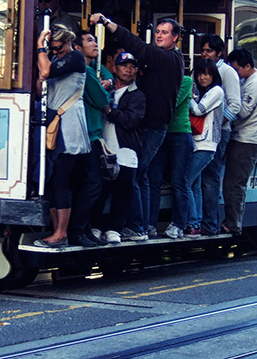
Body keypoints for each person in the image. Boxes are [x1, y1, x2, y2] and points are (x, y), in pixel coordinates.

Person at [89, 13, 184, 241]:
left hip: (153, 126)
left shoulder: (169, 58)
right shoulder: (163, 59)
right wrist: (110, 82)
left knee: (135, 175)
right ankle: (144, 225)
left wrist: (108, 23)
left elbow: (139, 47)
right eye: (157, 32)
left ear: (175, 38)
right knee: (142, 176)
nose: (159, 36)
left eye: (164, 33)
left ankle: (137, 227)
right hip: (148, 125)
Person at [34, 25, 91, 248]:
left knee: (61, 180)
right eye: (52, 48)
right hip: (53, 123)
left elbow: (47, 72)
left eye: (58, 48)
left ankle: (61, 232)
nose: (55, 52)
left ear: (68, 42)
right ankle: (58, 231)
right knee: (50, 179)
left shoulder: (75, 57)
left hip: (68, 125)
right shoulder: (55, 59)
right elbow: (41, 88)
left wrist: (40, 46)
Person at [68, 30, 112, 247]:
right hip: (88, 134)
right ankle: (77, 230)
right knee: (93, 184)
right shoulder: (85, 71)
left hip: (83, 133)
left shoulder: (89, 68)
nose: (95, 44)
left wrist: (107, 80)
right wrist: (105, 88)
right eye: (89, 40)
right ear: (77, 48)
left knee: (83, 184)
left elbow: (107, 75)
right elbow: (103, 99)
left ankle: (83, 229)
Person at [98, 52, 146, 244]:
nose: (128, 70)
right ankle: (95, 227)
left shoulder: (138, 96)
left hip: (126, 151)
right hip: (103, 148)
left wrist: (108, 110)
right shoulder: (105, 90)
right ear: (114, 68)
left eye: (132, 66)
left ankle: (114, 228)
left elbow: (130, 121)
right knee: (99, 191)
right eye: (124, 65)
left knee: (123, 192)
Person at [223, 47, 257, 235]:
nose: (235, 74)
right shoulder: (250, 80)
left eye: (236, 69)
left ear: (248, 66)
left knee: (235, 183)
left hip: (247, 139)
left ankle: (232, 223)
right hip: (244, 137)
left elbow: (242, 111)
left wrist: (227, 104)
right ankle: (231, 221)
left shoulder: (255, 83)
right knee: (233, 182)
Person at [198, 34, 241, 236]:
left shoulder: (227, 72)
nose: (205, 54)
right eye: (203, 50)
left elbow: (235, 105)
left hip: (218, 132)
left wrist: (215, 123)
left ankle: (210, 223)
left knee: (210, 176)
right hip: (200, 132)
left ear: (219, 53)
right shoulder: (202, 69)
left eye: (209, 51)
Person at [182, 59, 225, 237]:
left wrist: (189, 96)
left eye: (207, 74)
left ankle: (192, 223)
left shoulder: (217, 91)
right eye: (200, 73)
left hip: (205, 145)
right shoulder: (206, 92)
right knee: (195, 186)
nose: (202, 77)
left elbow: (199, 110)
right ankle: (196, 223)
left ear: (214, 75)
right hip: (199, 143)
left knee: (185, 181)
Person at [160, 73, 194, 239]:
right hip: (162, 132)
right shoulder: (159, 79)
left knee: (178, 180)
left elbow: (172, 103)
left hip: (180, 134)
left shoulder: (186, 81)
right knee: (155, 178)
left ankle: (179, 224)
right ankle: (149, 224)